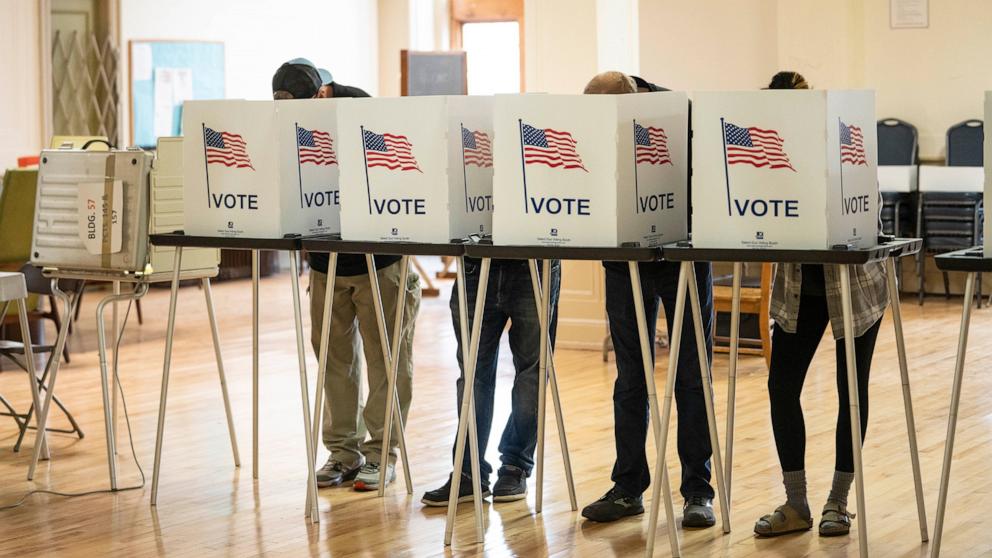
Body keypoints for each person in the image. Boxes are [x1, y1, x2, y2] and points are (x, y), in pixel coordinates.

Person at [271, 59, 422, 492]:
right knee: (333, 358)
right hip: (325, 261)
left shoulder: (363, 112)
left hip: (380, 261)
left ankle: (381, 454)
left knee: (386, 357)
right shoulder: (291, 119)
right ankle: (343, 451)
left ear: (321, 93)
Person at [578, 71, 717, 528]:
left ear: (633, 101)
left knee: (691, 376)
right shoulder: (598, 113)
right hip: (624, 260)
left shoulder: (675, 112)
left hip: (680, 254)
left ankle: (699, 491)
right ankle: (628, 488)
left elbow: (707, 181)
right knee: (630, 378)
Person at [753, 71, 888, 537]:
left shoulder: (843, 141)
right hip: (797, 290)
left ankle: (838, 500)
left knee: (850, 392)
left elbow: (871, 207)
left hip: (855, 289)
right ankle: (796, 503)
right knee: (781, 388)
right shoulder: (762, 154)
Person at [420, 257, 561, 505]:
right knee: (472, 374)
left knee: (531, 373)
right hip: (475, 263)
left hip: (534, 264)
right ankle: (467, 472)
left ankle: (515, 466)